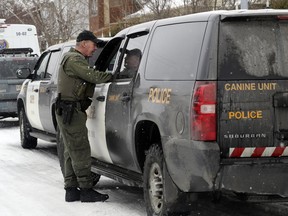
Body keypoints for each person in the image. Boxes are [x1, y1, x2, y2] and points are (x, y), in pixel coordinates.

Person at [55, 30, 112, 203]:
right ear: (84, 43)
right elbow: (92, 76)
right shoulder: (74, 59)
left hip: (68, 110)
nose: (95, 49)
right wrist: (114, 75)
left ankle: (71, 190)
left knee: (70, 150)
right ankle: (86, 190)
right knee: (80, 150)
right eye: (94, 45)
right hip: (71, 110)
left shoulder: (72, 58)